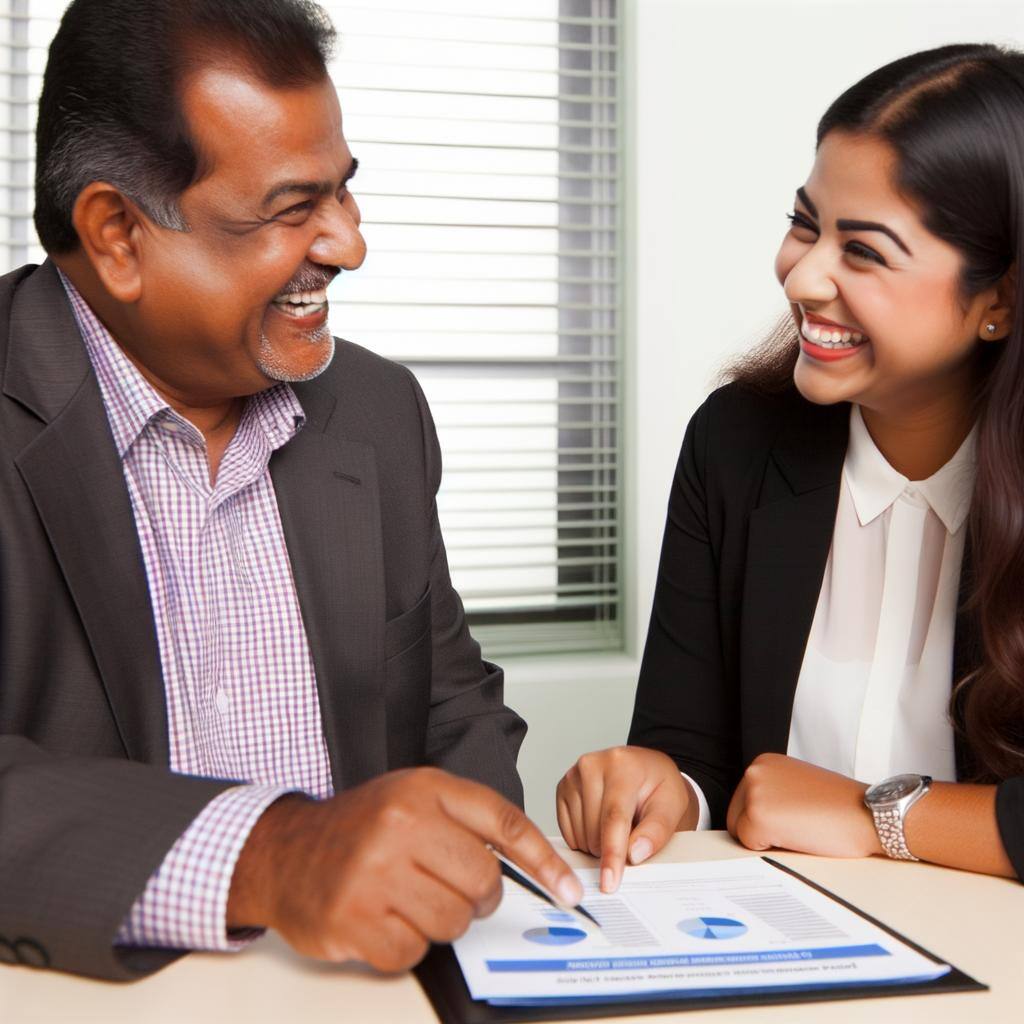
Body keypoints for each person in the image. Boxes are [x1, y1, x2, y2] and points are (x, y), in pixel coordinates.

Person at [0, 0, 582, 981]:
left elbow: (452, 705)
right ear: (117, 234)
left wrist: (456, 872)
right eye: (289, 209)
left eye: (344, 193)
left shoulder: (380, 409)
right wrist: (271, 854)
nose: (348, 244)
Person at [557, 42, 1024, 894]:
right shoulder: (736, 443)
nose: (803, 275)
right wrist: (665, 788)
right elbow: (688, 749)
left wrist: (872, 814)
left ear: (1001, 299)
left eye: (866, 251)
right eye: (807, 223)